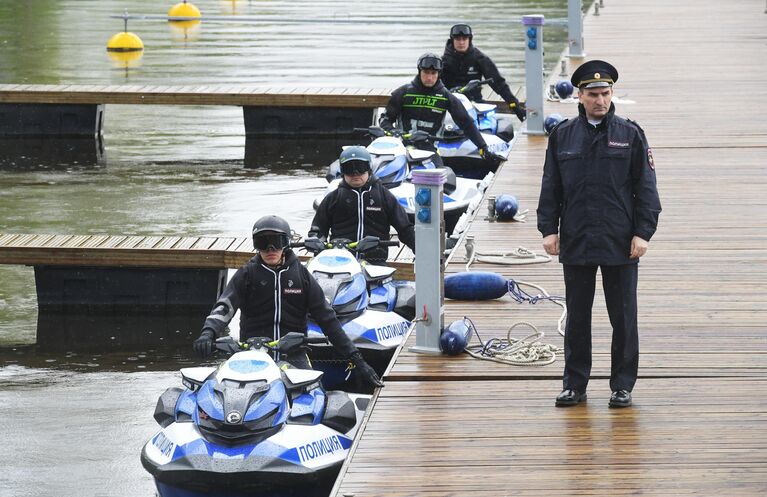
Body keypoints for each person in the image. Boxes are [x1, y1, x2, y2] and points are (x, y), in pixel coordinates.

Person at [536, 60, 661, 408]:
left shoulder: (630, 134)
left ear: (612, 94)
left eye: (605, 93)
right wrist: (549, 228)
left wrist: (643, 233)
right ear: (579, 95)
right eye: (593, 94)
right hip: (576, 237)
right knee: (577, 316)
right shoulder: (562, 135)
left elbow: (646, 189)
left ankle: (622, 385)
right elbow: (551, 187)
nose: (600, 100)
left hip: (620, 239)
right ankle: (574, 384)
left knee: (623, 316)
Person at [192, 215, 383, 387]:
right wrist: (208, 333)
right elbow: (225, 306)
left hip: (294, 354)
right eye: (262, 243)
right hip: (251, 356)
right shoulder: (246, 274)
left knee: (315, 395)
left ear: (287, 244)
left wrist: (358, 360)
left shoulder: (302, 275)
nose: (270, 249)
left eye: (276, 242)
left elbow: (328, 320)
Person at [378, 52, 505, 166]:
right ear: (419, 71)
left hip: (429, 150)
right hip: (402, 147)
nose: (429, 77)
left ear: (439, 74)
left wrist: (482, 147)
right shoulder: (403, 93)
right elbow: (385, 120)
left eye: (433, 73)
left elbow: (466, 123)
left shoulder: (446, 96)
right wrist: (394, 132)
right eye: (426, 73)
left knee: (441, 178)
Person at [309, 146, 415, 264]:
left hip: (375, 262)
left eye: (360, 167)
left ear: (369, 168)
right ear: (342, 171)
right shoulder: (333, 197)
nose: (355, 173)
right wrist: (315, 240)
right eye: (349, 168)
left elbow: (405, 228)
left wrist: (422, 251)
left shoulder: (384, 196)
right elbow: (318, 229)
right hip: (339, 261)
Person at [441, 24, 526, 122]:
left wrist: (517, 109)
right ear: (452, 40)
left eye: (464, 39)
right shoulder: (443, 61)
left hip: (475, 104)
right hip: (450, 105)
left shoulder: (480, 58)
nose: (461, 42)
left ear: (470, 40)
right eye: (458, 39)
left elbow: (499, 84)